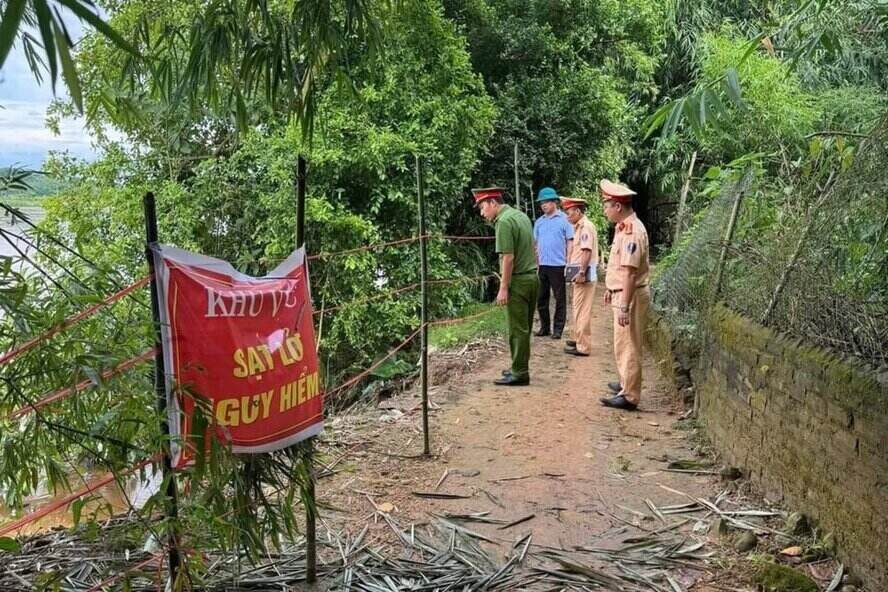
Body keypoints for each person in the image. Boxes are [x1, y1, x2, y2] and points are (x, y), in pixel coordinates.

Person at [473, 187, 539, 386]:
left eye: (483, 207)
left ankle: (519, 373)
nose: (482, 213)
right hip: (532, 277)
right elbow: (534, 247)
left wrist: (503, 287)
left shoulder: (503, 222)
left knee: (517, 329)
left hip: (518, 281)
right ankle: (519, 366)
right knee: (524, 327)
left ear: (493, 203)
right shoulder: (521, 216)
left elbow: (508, 257)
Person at [599, 179, 650, 411]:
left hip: (631, 295)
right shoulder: (624, 228)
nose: (604, 210)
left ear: (618, 206)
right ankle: (624, 382)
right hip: (623, 292)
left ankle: (629, 395)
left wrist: (624, 305)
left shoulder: (631, 232)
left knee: (629, 344)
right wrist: (612, 289)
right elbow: (621, 270)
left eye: (606, 204)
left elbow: (630, 273)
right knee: (622, 343)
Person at [533, 186, 574, 339]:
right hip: (543, 265)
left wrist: (568, 263)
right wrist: (536, 263)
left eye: (546, 202)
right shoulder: (539, 222)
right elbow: (535, 244)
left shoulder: (565, 220)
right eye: (541, 203)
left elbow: (570, 241)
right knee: (541, 297)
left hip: (559, 265)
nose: (543, 205)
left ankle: (558, 329)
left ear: (554, 202)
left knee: (559, 298)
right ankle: (544, 327)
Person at [560, 196, 598, 357]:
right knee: (578, 308)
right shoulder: (579, 227)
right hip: (580, 275)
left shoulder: (586, 227)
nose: (567, 216)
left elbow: (586, 251)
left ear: (577, 211)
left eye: (569, 213)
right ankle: (577, 338)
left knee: (582, 310)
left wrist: (581, 272)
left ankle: (583, 345)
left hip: (584, 275)